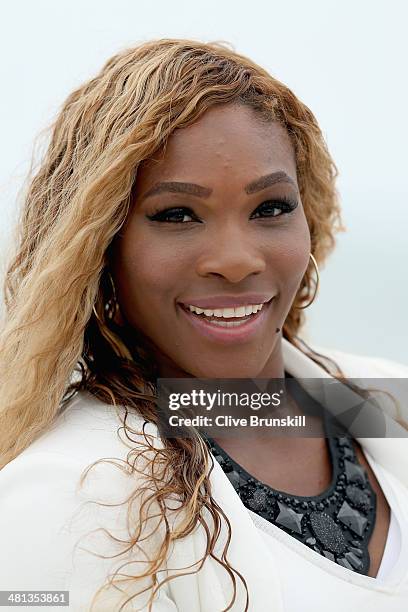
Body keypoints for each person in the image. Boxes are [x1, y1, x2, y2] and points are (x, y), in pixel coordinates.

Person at [0, 38, 407, 612]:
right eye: (176, 215)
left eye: (270, 208)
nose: (236, 259)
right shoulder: (67, 494)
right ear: (98, 248)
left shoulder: (380, 405)